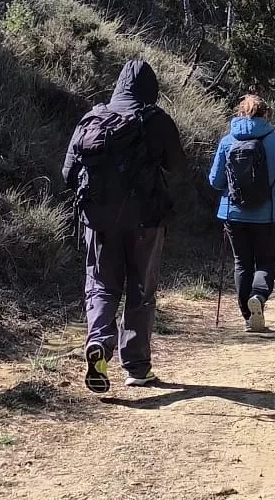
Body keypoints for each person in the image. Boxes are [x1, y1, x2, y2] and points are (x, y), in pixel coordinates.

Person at [62, 59, 189, 392]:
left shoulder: (93, 117)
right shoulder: (155, 119)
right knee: (141, 291)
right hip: (146, 220)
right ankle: (136, 367)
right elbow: (176, 165)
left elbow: (67, 173)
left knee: (101, 286)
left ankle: (100, 345)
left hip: (99, 223)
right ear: (151, 87)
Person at [208, 94, 275, 333]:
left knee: (242, 263)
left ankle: (248, 317)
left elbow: (215, 181)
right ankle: (258, 296)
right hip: (267, 214)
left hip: (233, 213)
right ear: (266, 114)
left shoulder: (227, 141)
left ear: (239, 113)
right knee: (267, 260)